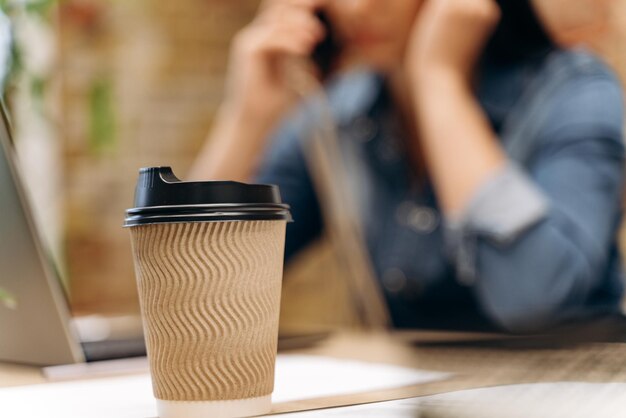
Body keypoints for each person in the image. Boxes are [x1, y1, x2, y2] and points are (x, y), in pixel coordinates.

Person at [190, 0, 625, 333]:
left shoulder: (575, 93)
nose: (359, 8)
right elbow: (198, 292)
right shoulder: (339, 114)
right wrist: (244, 120)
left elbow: (533, 297)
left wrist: (438, 80)